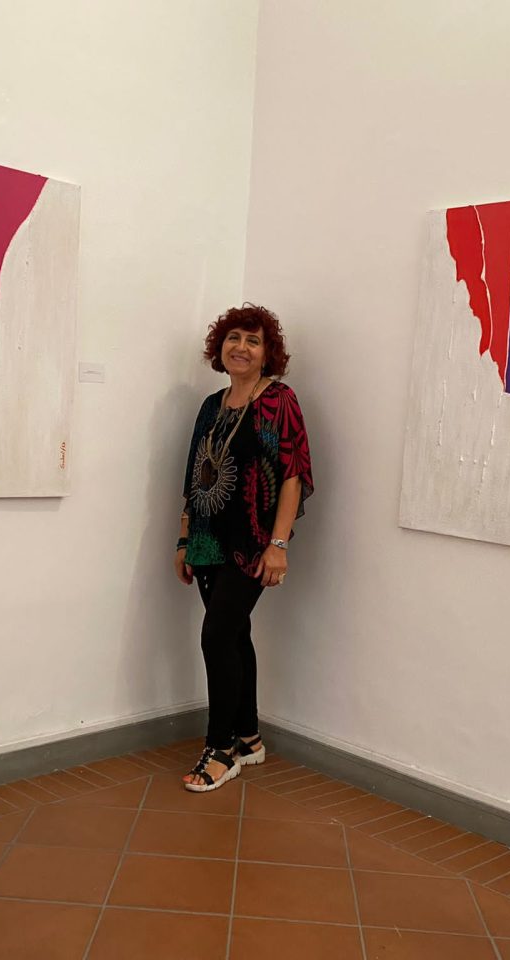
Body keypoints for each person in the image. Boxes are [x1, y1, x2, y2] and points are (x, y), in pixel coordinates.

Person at [175, 304, 314, 793]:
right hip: (208, 539)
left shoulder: (279, 401)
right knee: (234, 634)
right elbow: (194, 474)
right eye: (234, 338)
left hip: (252, 543)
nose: (241, 347)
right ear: (221, 347)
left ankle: (221, 749)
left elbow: (293, 474)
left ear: (267, 352)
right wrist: (185, 538)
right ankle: (250, 737)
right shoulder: (211, 406)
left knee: (216, 636)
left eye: (253, 341)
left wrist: (278, 544)